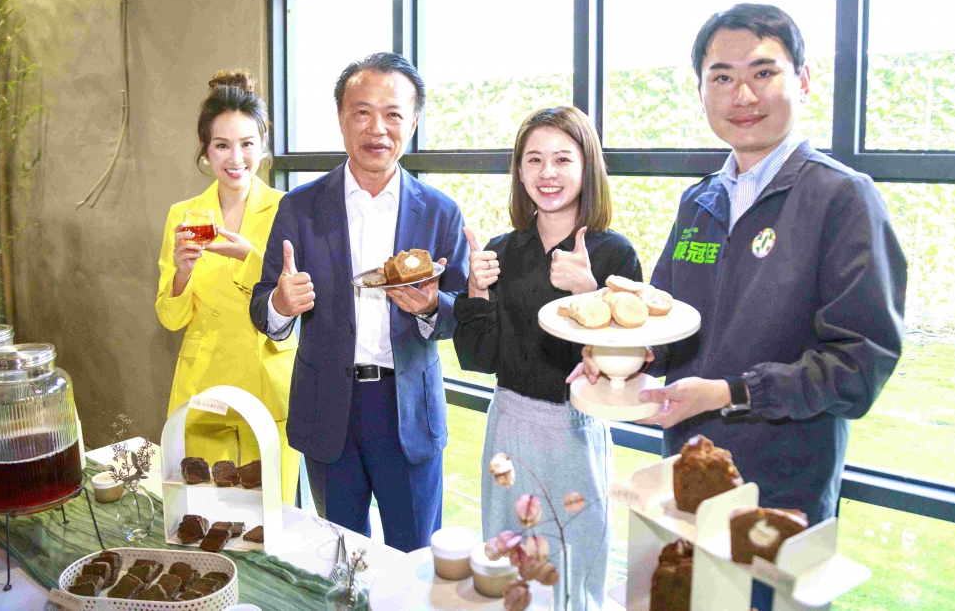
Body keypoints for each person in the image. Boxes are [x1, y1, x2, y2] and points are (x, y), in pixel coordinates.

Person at [575, 4, 907, 525]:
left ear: (803, 81)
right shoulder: (699, 201)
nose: (743, 95)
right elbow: (665, 322)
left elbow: (859, 367)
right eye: (722, 78)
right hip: (684, 470)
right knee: (676, 577)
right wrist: (626, 357)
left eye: (763, 72)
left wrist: (731, 393)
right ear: (701, 92)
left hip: (778, 491)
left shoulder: (842, 199)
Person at [249, 52, 468, 553]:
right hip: (329, 409)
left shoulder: (440, 212)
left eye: (393, 114)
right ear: (341, 119)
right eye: (362, 112)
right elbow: (263, 305)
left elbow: (462, 311)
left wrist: (431, 307)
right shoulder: (300, 207)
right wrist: (281, 303)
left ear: (413, 122)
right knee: (341, 555)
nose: (377, 128)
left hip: (407, 412)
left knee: (416, 556)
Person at [454, 107, 643, 611]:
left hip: (576, 429)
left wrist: (590, 293)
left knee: (574, 566)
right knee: (507, 560)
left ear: (587, 167)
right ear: (519, 172)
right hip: (508, 425)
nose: (548, 172)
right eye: (534, 159)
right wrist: (476, 292)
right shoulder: (500, 251)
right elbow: (478, 358)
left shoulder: (614, 254)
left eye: (562, 158)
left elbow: (630, 367)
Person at [156, 70, 300, 504]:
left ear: (263, 147)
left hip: (270, 388)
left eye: (247, 144)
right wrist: (182, 272)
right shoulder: (184, 215)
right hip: (206, 389)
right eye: (222, 145)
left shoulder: (289, 210)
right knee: (206, 512)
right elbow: (170, 318)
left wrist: (248, 257)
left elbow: (295, 298)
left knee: (271, 517)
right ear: (205, 150)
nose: (235, 158)